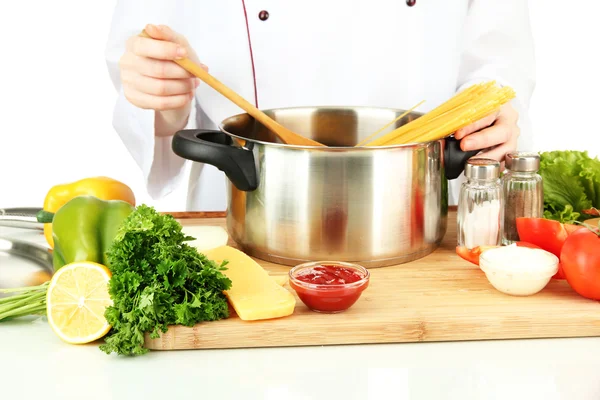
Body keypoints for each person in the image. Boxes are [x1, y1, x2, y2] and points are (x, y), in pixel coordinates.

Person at [105, 0, 536, 211]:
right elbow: (147, 65)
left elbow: (497, 63)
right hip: (247, 207)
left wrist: (491, 116)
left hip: (417, 209)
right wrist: (162, 92)